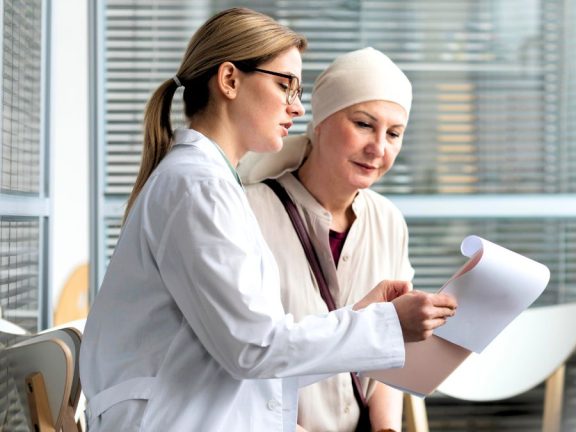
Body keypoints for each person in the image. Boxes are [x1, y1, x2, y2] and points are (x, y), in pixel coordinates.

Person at [80, 8, 457, 432]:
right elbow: (255, 350)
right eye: (284, 86)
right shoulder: (200, 189)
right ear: (229, 80)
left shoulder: (208, 184)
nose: (296, 108)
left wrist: (365, 317)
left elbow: (256, 355)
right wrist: (385, 325)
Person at [238, 47, 418, 432]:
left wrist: (386, 427)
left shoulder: (388, 221)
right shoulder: (248, 213)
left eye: (394, 133)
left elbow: (390, 348)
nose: (379, 148)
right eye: (364, 124)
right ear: (319, 121)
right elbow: (241, 363)